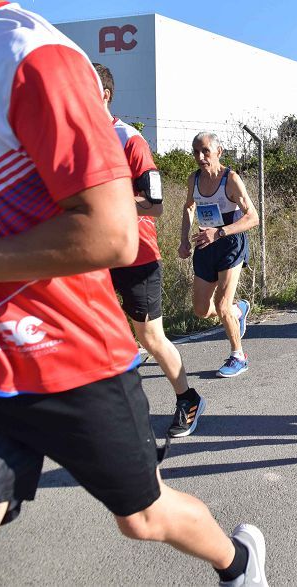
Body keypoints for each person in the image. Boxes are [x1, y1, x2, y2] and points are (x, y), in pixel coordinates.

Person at [0, 0, 267, 585]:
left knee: (144, 515)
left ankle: (239, 561)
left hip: (68, 360)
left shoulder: (31, 55)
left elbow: (112, 231)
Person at [93, 63, 205, 438]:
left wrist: (105, 200)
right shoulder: (78, 140)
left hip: (137, 256)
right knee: (97, 334)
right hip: (94, 256)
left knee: (151, 338)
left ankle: (188, 398)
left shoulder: (129, 140)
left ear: (105, 95)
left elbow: (155, 204)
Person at [179, 133, 259, 378]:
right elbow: (189, 206)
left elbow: (253, 217)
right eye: (195, 152)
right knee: (202, 310)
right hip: (206, 242)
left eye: (205, 151)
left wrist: (220, 232)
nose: (200, 157)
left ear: (219, 151)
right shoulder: (194, 178)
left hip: (230, 243)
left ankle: (239, 356)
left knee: (221, 304)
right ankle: (238, 311)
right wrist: (183, 240)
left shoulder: (231, 179)